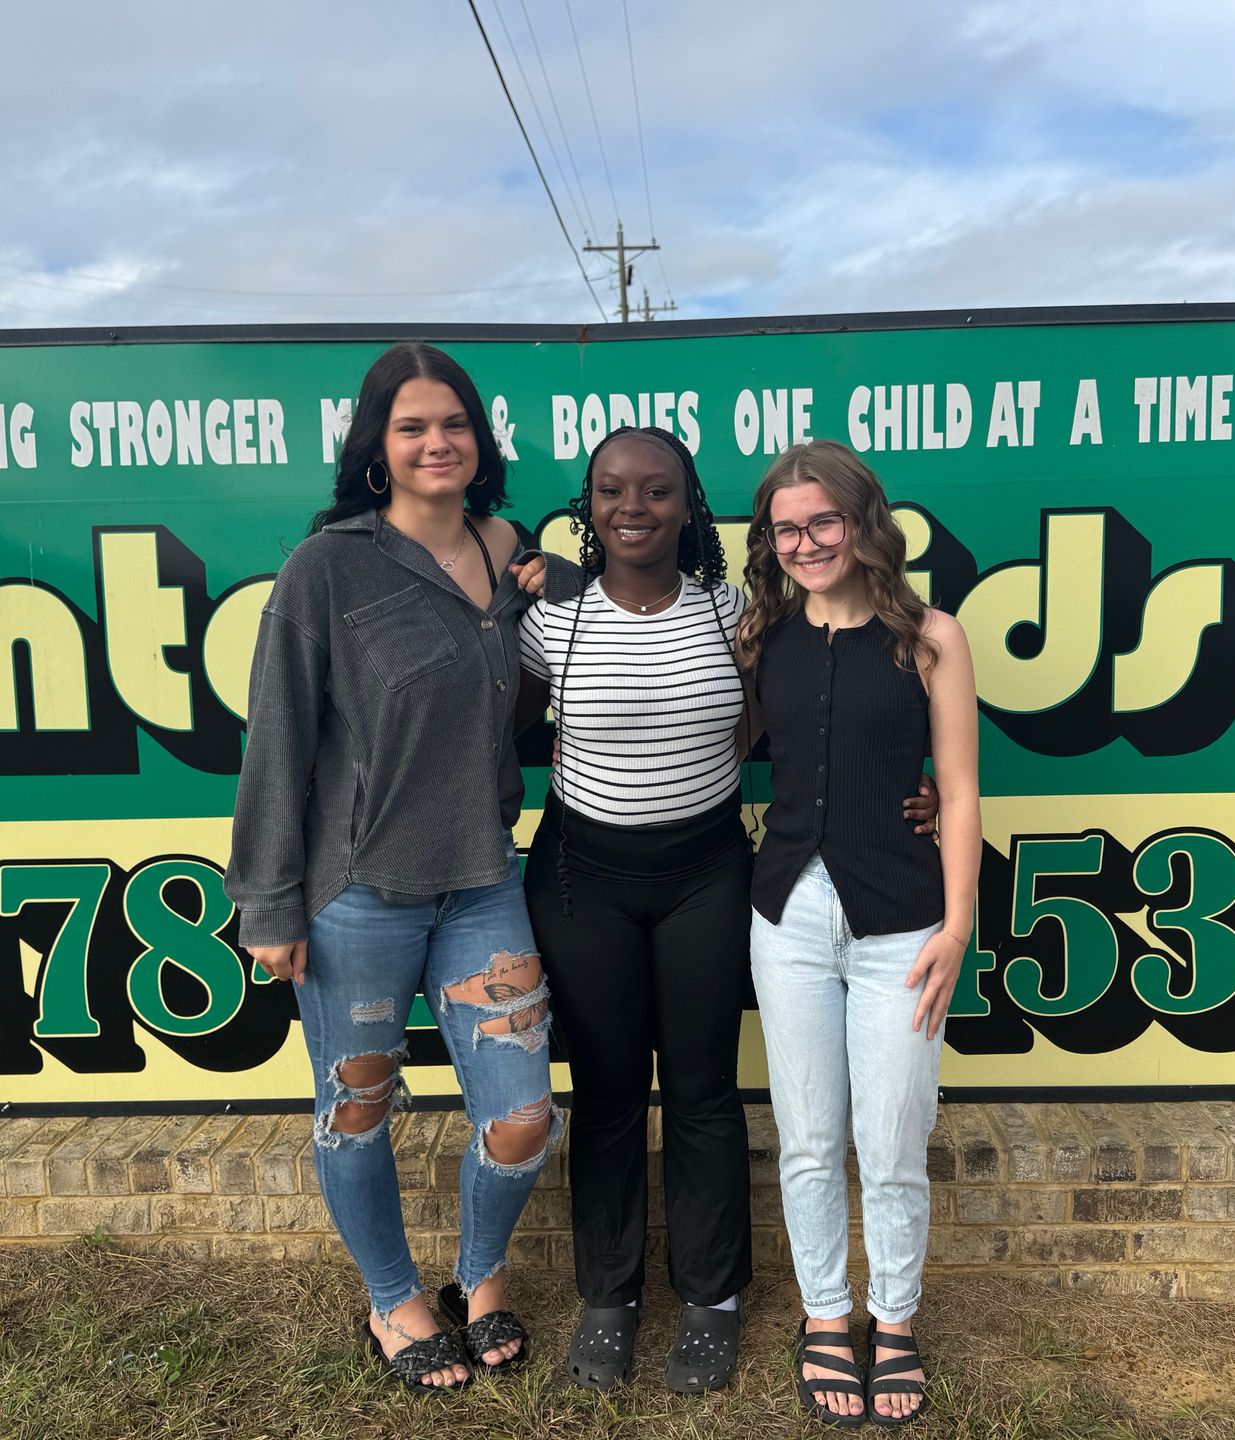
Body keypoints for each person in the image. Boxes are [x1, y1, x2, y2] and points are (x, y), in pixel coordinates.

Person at [515, 426, 938, 1396]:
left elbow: (818, 722)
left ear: (689, 507)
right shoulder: (552, 622)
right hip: (584, 878)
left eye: (657, 491)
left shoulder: (735, 614)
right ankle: (609, 1298)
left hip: (708, 875)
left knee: (705, 1092)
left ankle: (711, 1302)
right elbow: (493, 734)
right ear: (588, 508)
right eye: (613, 491)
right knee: (611, 1093)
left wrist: (931, 795)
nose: (634, 507)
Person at [225, 341, 578, 1394]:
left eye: (455, 422)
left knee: (521, 1116)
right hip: (355, 893)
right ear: (376, 446)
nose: (438, 442)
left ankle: (481, 1278)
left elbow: (567, 643)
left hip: (483, 881)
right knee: (357, 1107)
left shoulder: (508, 546)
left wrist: (554, 582)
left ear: (481, 437)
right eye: (413, 425)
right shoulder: (327, 566)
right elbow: (277, 740)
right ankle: (395, 1301)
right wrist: (269, 902)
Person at [739, 439, 980, 1428]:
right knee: (807, 1138)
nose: (805, 543)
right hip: (787, 913)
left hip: (903, 920)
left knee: (890, 1140)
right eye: (786, 529)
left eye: (822, 522)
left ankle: (896, 1320)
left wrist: (959, 925)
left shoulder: (931, 636)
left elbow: (959, 792)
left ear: (864, 522)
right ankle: (827, 1318)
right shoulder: (760, 638)